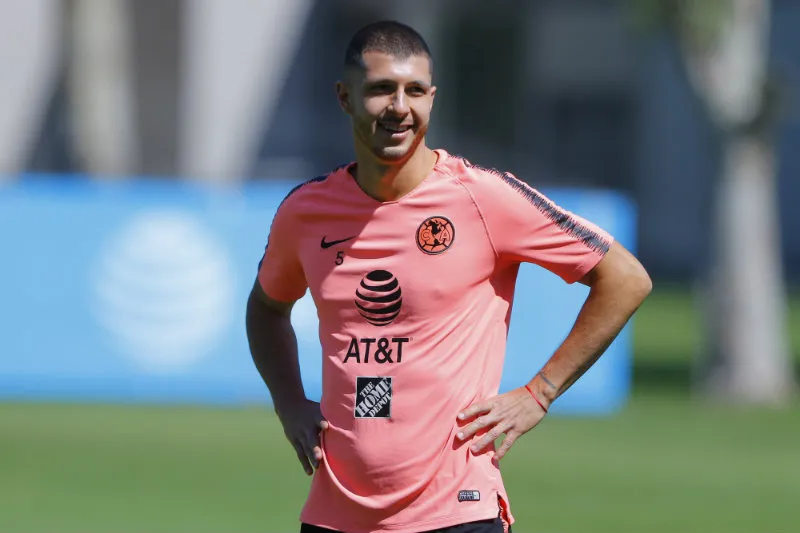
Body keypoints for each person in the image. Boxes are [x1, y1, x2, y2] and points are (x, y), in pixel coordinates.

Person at [246, 20, 652, 533]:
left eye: (415, 91)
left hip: (458, 512)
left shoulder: (482, 198)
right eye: (381, 89)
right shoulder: (307, 212)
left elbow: (626, 277)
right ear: (345, 97)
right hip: (336, 515)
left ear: (432, 99)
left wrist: (540, 392)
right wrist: (288, 402)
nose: (400, 107)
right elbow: (266, 308)